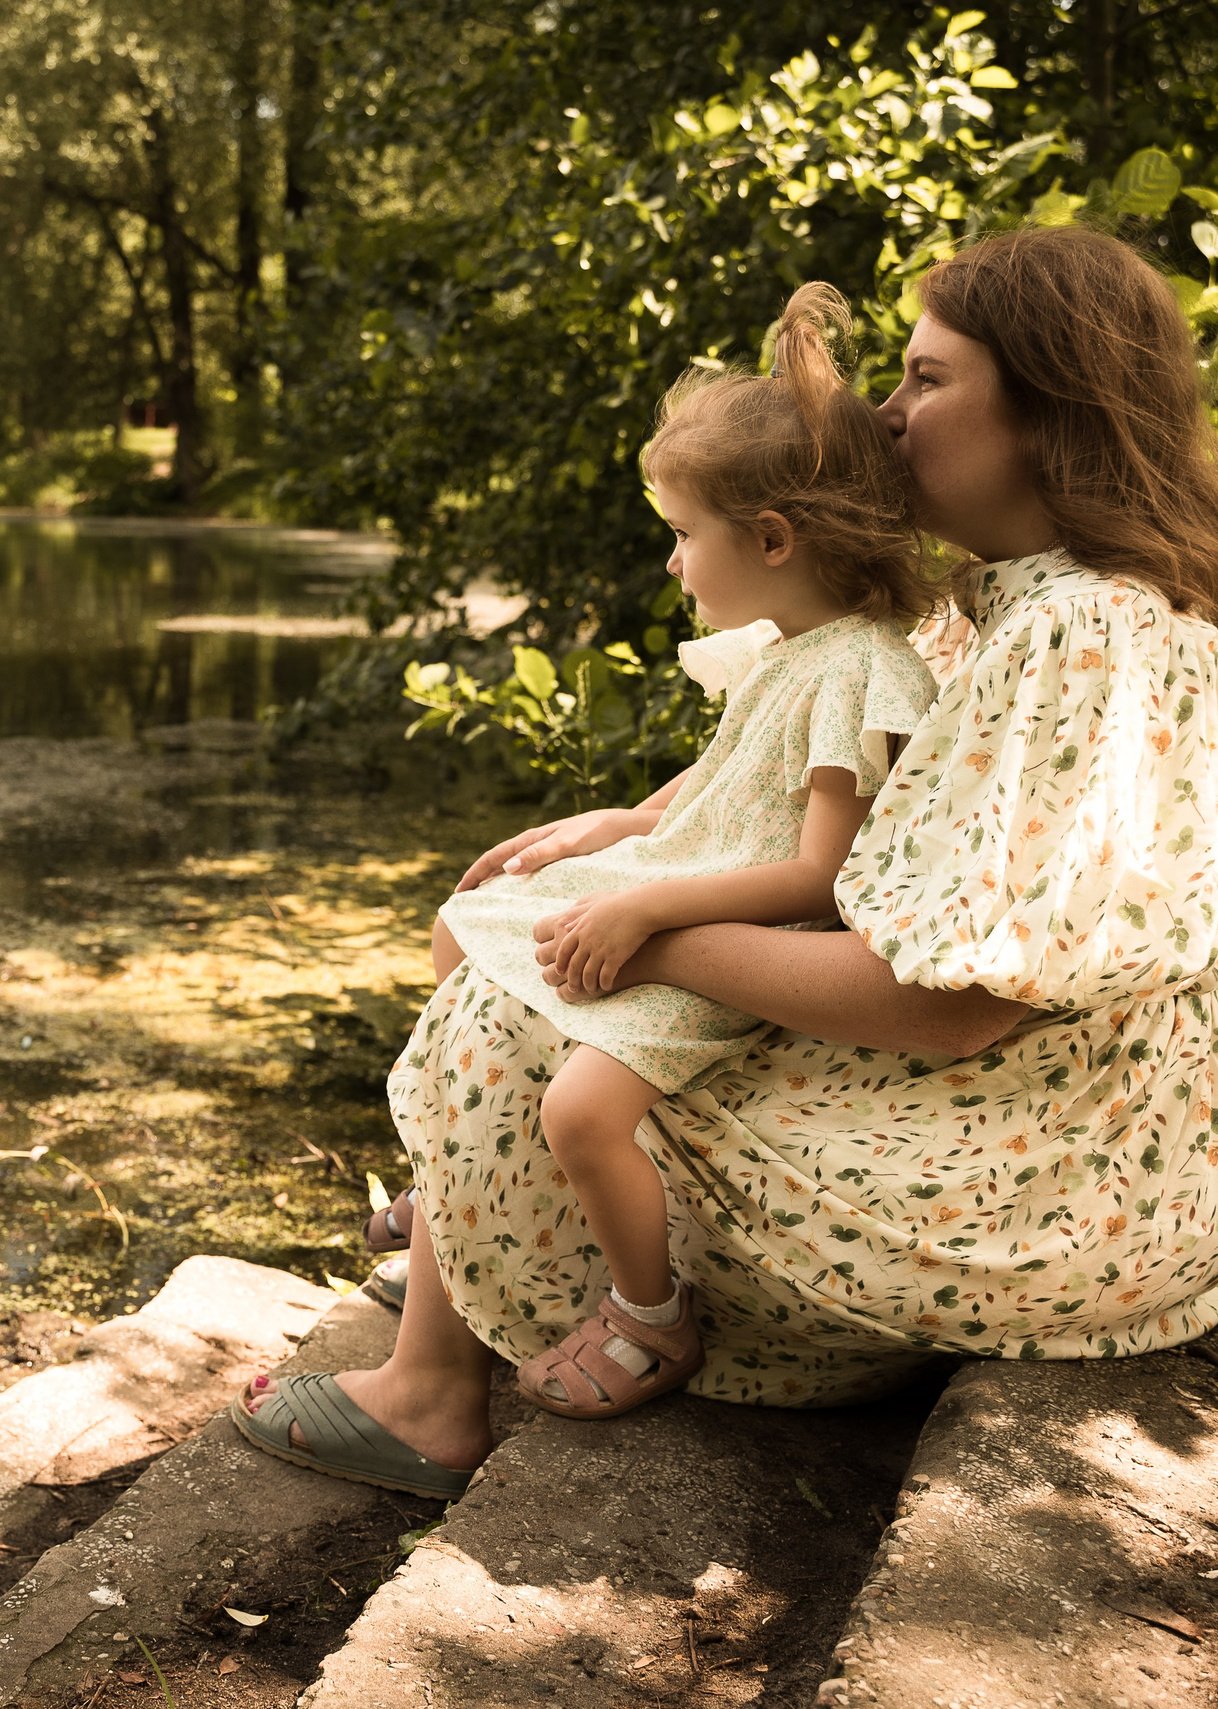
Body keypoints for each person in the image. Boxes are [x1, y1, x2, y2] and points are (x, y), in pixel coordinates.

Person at [235, 224, 1218, 1500]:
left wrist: (651, 925)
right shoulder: (1029, 603)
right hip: (1069, 1136)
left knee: (521, 999)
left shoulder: (1084, 636)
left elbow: (953, 1003)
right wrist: (622, 836)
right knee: (551, 952)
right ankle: (479, 1244)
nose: (886, 410)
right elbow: (836, 790)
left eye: (926, 378)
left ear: (1047, 412)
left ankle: (430, 1393)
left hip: (1051, 1188)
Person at [410, 282, 941, 1420]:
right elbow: (728, 775)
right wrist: (625, 824)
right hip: (685, 880)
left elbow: (820, 875)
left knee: (581, 1111)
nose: (670, 566)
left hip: (740, 933)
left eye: (680, 537)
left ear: (770, 538)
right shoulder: (798, 649)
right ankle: (460, 1181)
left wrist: (649, 912)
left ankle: (649, 1314)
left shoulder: (861, 670)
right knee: (464, 922)